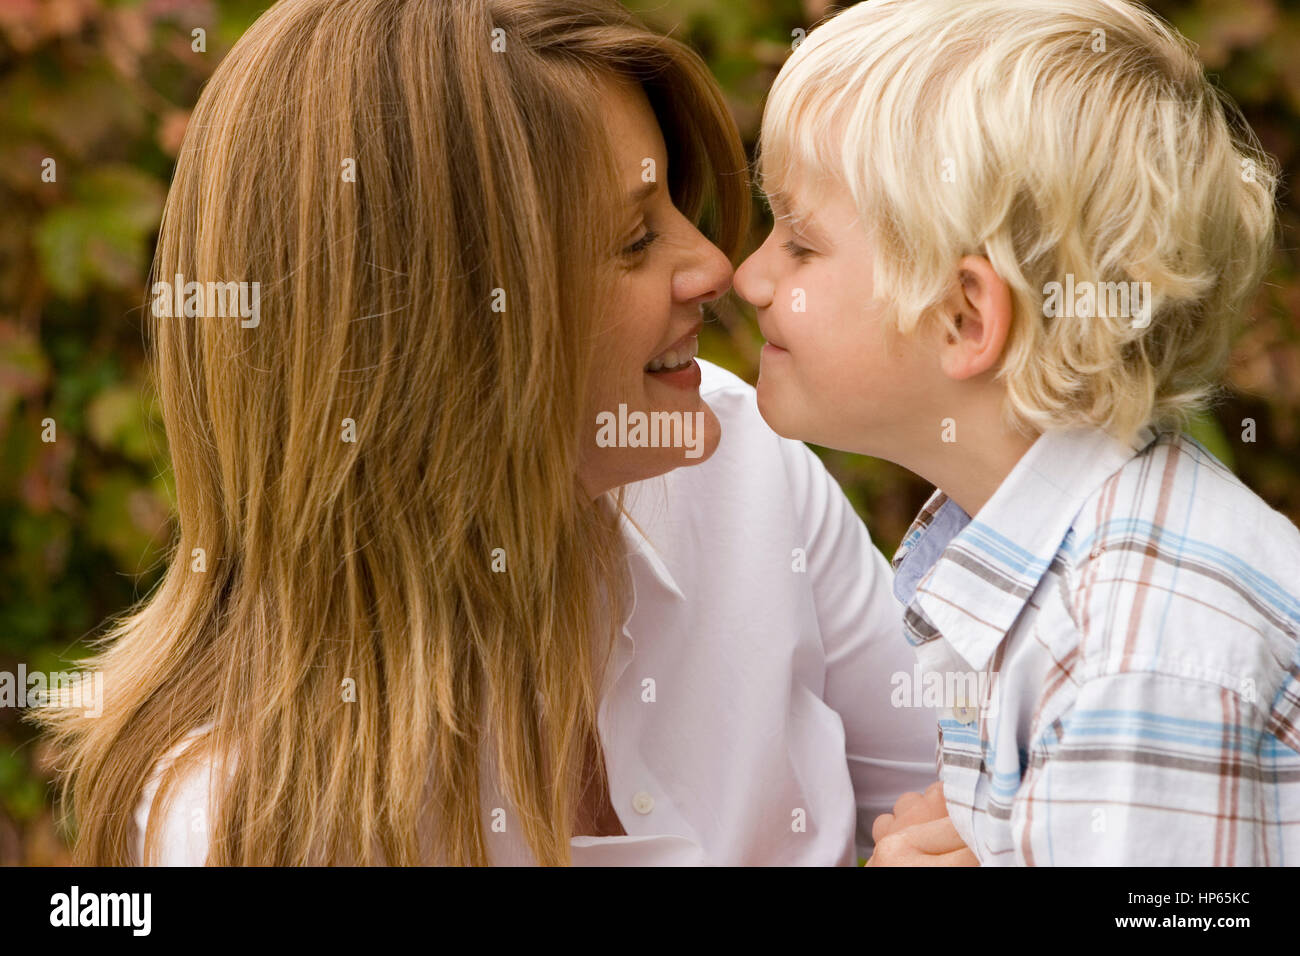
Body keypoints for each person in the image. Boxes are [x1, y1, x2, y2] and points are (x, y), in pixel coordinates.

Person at [32, 0, 940, 866]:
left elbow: (982, 794)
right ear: (452, 333)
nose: (713, 266)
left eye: (674, 210)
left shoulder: (739, 459)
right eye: (633, 241)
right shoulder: (241, 817)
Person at [736, 0, 1300, 864]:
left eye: (800, 246)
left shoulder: (1134, 650)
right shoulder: (1049, 567)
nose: (749, 277)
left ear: (966, 318)